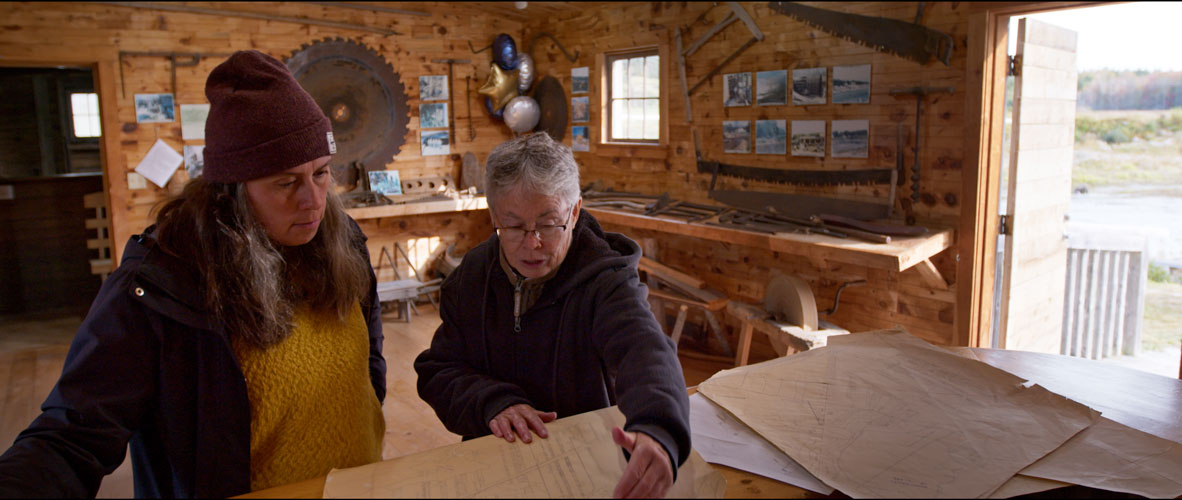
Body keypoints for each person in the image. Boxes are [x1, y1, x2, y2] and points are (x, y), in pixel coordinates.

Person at [0, 50, 386, 498]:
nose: (313, 201)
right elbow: (72, 435)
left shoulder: (343, 240)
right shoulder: (162, 284)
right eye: (285, 182)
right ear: (231, 192)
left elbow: (367, 361)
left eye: (321, 174)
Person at [414, 132, 691, 499]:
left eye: (548, 224)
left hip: (584, 470)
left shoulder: (604, 279)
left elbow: (646, 351)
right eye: (513, 226)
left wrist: (659, 430)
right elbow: (439, 371)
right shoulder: (471, 277)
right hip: (494, 467)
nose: (533, 243)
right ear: (493, 215)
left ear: (574, 212)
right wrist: (492, 401)